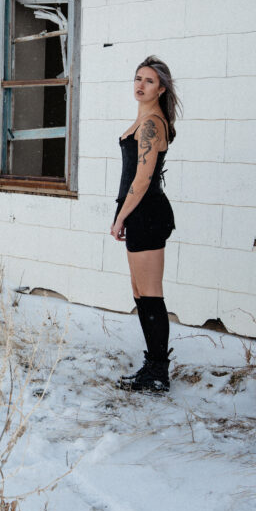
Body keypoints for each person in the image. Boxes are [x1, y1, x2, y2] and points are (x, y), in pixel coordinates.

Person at [110, 56, 180, 392]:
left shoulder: (153, 123)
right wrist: (122, 213)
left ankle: (157, 372)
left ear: (161, 87)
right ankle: (152, 366)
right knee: (140, 292)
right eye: (137, 78)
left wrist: (122, 214)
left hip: (147, 212)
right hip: (137, 211)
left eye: (149, 81)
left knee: (151, 294)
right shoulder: (143, 121)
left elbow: (142, 178)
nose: (140, 85)